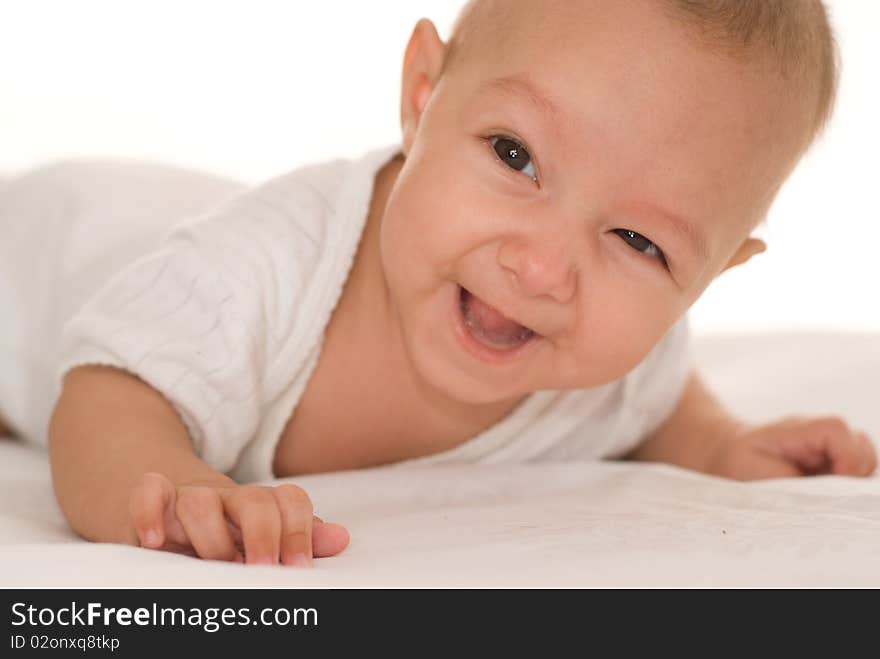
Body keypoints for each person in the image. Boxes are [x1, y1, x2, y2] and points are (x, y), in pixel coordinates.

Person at [1, 0, 874, 568]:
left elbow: (658, 396)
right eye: (514, 155)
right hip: (44, 246)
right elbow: (106, 393)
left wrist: (720, 445)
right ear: (423, 94)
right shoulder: (263, 272)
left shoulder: (619, 364)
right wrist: (165, 480)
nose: (540, 267)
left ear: (710, 278)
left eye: (639, 241)